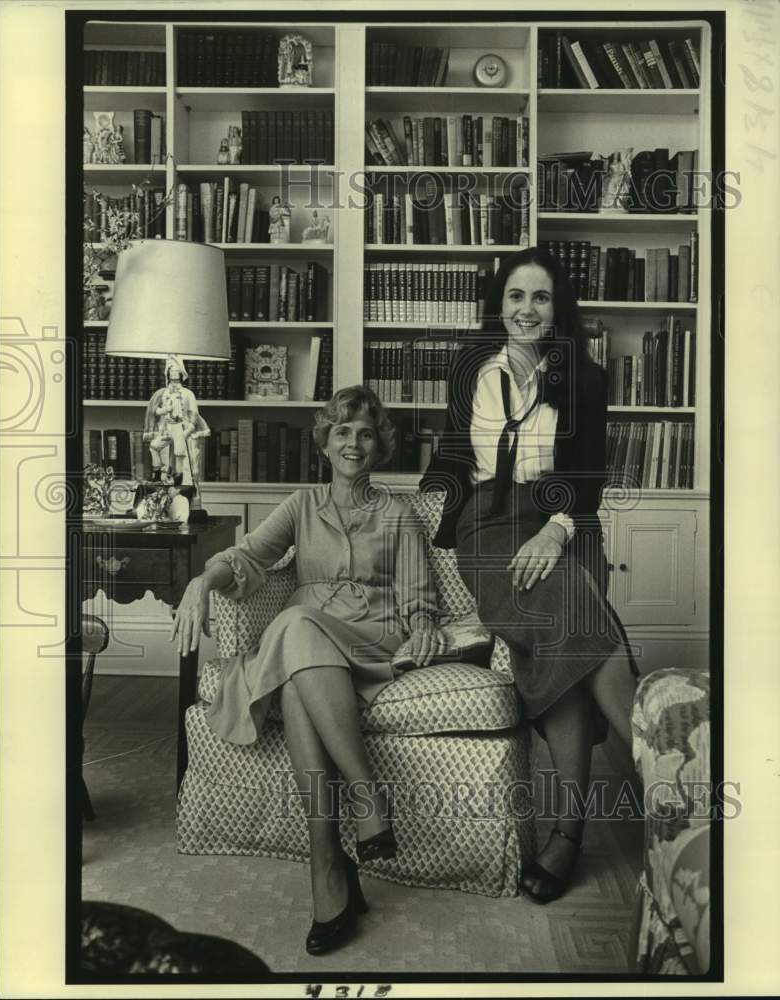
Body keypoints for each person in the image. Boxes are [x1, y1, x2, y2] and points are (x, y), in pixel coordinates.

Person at [171, 386, 443, 953]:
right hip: (309, 645)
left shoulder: (396, 511)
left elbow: (420, 600)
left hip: (370, 636)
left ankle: (334, 851)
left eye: (365, 432)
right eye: (342, 431)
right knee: (299, 657)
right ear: (325, 442)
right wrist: (203, 580)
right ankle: (336, 853)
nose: (354, 442)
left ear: (379, 446)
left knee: (296, 630)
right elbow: (246, 558)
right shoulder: (301, 505)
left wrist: (423, 629)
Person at [420, 247, 639, 904]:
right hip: (486, 530)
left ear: (557, 307)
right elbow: (454, 460)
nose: (527, 309)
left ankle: (568, 832)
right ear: (500, 304)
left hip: (562, 518)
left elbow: (587, 479)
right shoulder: (470, 370)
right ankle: (667, 772)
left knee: (567, 632)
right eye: (516, 296)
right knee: (575, 623)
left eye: (540, 297)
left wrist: (555, 528)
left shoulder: (586, 379)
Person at [144, 355, 210, 484]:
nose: (174, 373)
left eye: (176, 370)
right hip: (166, 429)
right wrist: (165, 410)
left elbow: (194, 416)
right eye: (171, 370)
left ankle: (179, 480)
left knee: (179, 454)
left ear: (180, 373)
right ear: (168, 373)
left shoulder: (187, 394)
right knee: (153, 446)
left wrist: (186, 433)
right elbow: (155, 411)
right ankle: (158, 471)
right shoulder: (163, 393)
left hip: (180, 427)